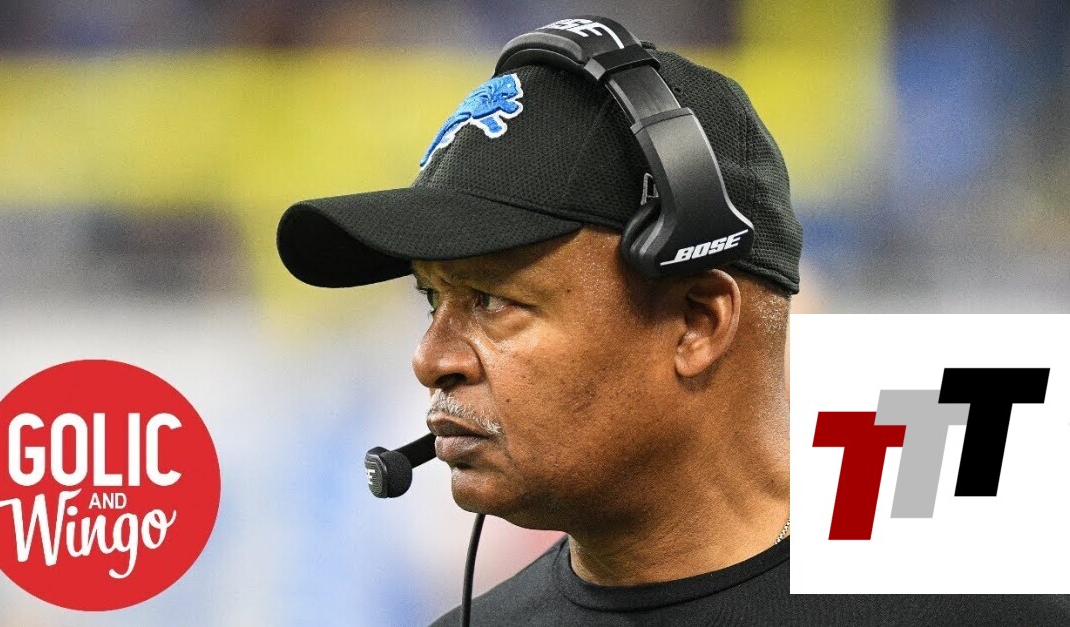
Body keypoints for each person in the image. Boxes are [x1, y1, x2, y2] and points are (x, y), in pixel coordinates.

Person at [277, 25, 1070, 627]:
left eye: (491, 300)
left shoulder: (1002, 580)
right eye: (432, 300)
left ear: (698, 319)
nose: (430, 357)